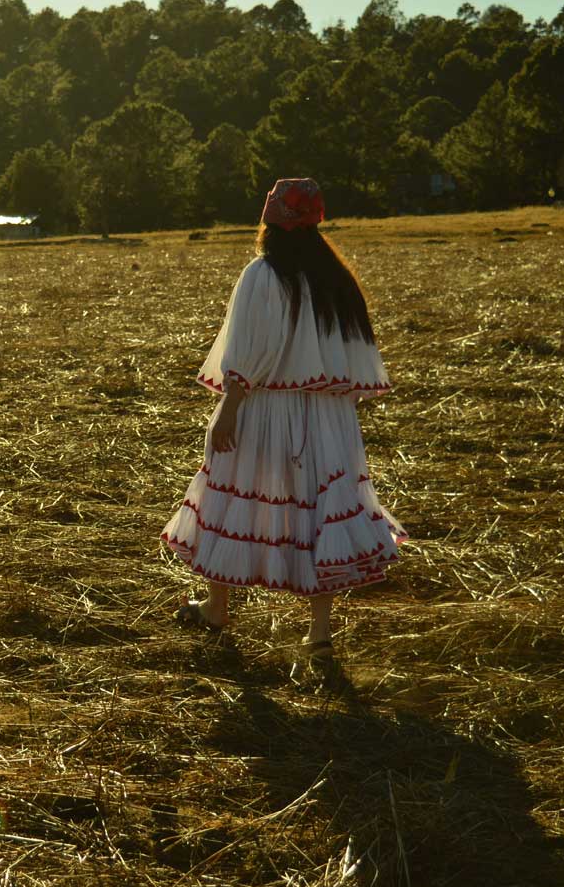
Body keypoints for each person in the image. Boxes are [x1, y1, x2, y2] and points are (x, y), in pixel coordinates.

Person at [161, 178, 405, 663]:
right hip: (329, 414)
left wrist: (226, 411)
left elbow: (246, 352)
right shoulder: (336, 280)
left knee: (230, 493)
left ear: (269, 221)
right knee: (319, 507)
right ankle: (318, 631)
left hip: (267, 407)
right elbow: (353, 358)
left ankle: (217, 606)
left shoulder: (262, 275)